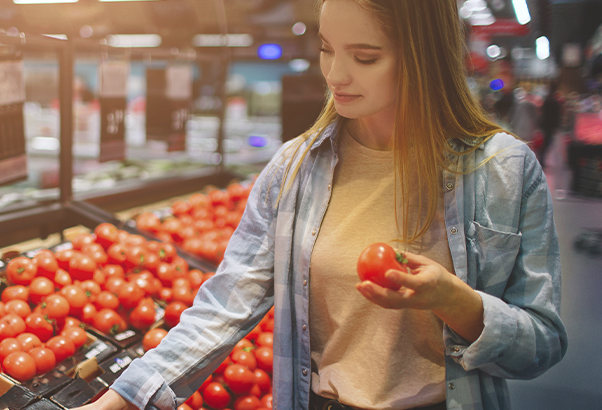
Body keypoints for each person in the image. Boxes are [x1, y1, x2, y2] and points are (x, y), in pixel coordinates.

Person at [75, 1, 567, 409]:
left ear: (423, 56)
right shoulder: (294, 169)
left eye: (366, 57)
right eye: (327, 50)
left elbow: (541, 343)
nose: (336, 74)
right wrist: (121, 398)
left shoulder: (503, 170)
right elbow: (224, 305)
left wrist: (453, 300)